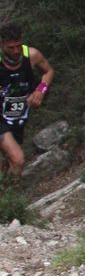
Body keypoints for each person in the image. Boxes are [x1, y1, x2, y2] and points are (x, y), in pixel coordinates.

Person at [0, 22, 54, 177]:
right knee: (18, 158)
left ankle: (10, 188)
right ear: (1, 43)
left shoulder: (31, 55)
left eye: (18, 45)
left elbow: (49, 71)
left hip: (17, 116)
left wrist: (40, 90)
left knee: (12, 162)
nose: (16, 51)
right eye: (11, 47)